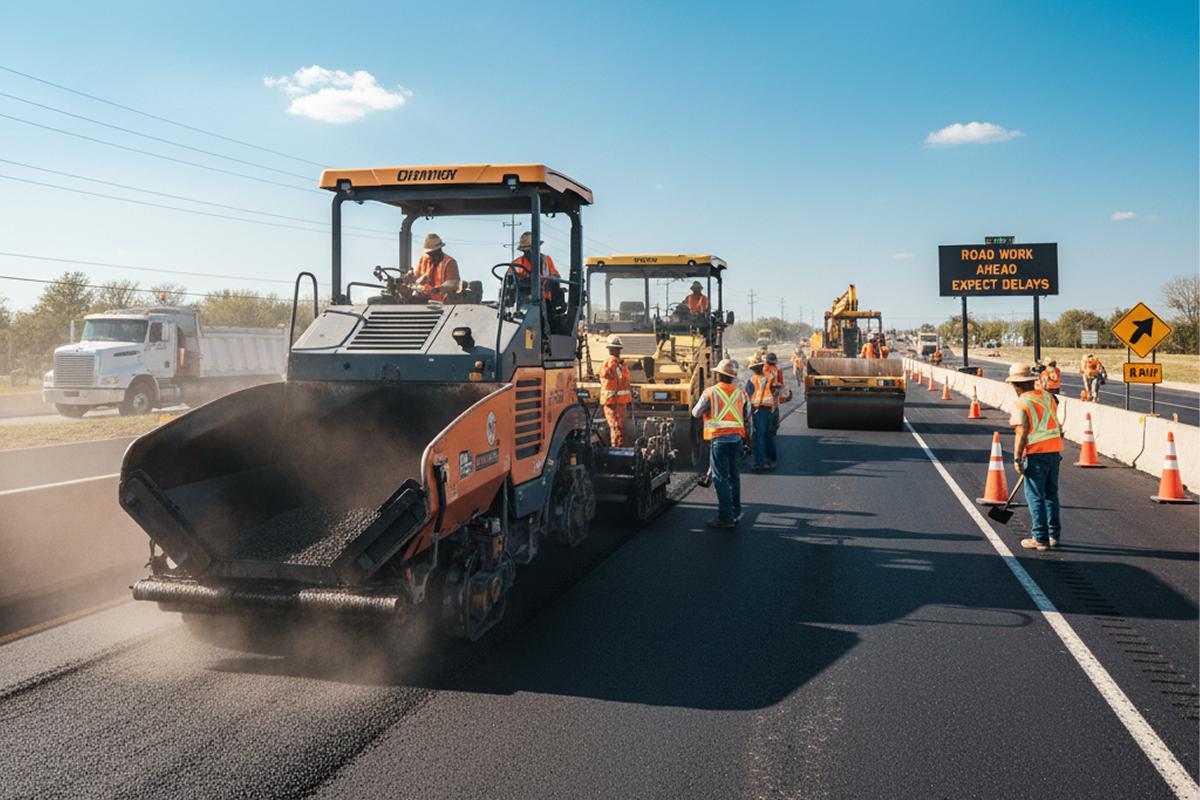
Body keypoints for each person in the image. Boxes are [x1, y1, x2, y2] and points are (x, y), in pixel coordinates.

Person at [1007, 362, 1064, 551]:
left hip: (1035, 454)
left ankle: (1040, 538)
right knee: (1051, 494)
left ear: (1016, 385)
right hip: (1054, 451)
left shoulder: (1021, 403)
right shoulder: (1049, 397)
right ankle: (1053, 535)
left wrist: (1017, 458)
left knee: (1034, 496)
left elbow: (1022, 433)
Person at [691, 358, 751, 528]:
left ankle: (726, 517)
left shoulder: (710, 392)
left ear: (718, 375)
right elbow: (746, 414)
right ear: (732, 377)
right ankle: (736, 511)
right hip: (737, 440)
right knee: (734, 476)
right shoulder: (741, 393)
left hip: (719, 440)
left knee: (720, 479)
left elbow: (696, 413)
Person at [745, 356, 779, 470]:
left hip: (758, 410)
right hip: (769, 409)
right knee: (768, 434)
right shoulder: (769, 378)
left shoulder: (752, 381)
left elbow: (748, 397)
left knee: (758, 435)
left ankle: (760, 461)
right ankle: (771, 459)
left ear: (752, 369)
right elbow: (775, 391)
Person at [600, 334, 632, 446]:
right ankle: (620, 448)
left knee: (614, 427)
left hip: (611, 402)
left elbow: (605, 376)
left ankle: (615, 450)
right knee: (620, 427)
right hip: (621, 402)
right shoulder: (623, 364)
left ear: (609, 349)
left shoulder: (608, 363)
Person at [513, 231, 560, 301]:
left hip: (546, 301)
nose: (528, 253)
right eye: (526, 251)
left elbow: (556, 275)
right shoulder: (517, 263)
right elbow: (509, 280)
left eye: (530, 250)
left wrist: (551, 279)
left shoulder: (546, 260)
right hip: (524, 302)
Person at [413, 234, 461, 302]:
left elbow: (453, 283)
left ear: (439, 249)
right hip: (423, 303)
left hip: (443, 305)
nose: (430, 255)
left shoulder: (449, 262)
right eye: (429, 253)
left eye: (432, 252)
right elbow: (415, 278)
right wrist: (418, 280)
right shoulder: (423, 259)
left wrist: (438, 289)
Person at [764, 352, 785, 439]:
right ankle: (770, 435)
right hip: (767, 398)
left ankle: (770, 434)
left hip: (771, 397)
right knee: (772, 419)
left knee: (772, 419)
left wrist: (781, 396)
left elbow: (780, 383)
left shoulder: (775, 369)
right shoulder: (765, 369)